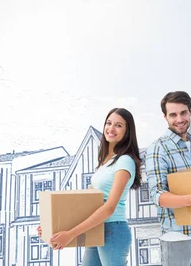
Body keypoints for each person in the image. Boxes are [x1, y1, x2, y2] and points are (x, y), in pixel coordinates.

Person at [37, 107, 142, 266]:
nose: (111, 128)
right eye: (108, 123)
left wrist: (70, 234)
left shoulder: (124, 161)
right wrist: (51, 226)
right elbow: (87, 204)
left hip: (113, 230)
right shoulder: (105, 163)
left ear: (127, 132)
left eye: (118, 125)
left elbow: (109, 208)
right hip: (97, 228)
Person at [145, 91, 191, 266]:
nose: (179, 119)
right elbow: (157, 197)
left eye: (183, 113)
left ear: (190, 111)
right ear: (165, 117)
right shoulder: (158, 148)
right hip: (177, 237)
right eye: (173, 115)